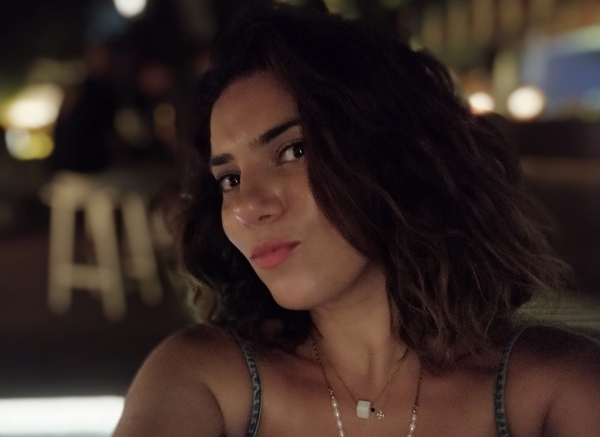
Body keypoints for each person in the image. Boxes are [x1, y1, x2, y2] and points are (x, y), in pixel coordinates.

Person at [114, 5, 600, 437]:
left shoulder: (555, 389)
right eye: (230, 178)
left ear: (394, 155)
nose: (246, 205)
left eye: (293, 150)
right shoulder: (204, 378)